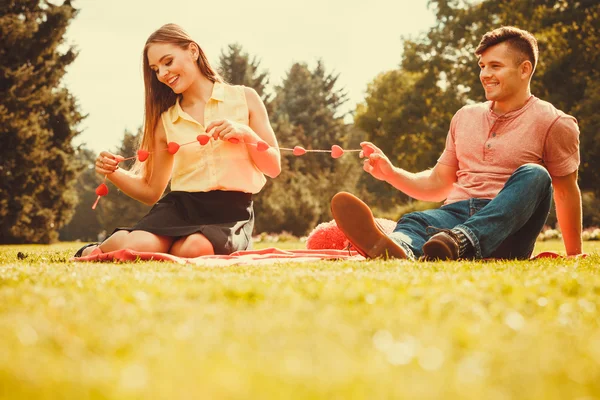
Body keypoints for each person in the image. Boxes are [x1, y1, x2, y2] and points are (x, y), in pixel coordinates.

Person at [331, 26, 582, 261]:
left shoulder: (555, 122)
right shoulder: (465, 117)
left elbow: (565, 190)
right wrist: (391, 173)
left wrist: (574, 254)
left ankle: (460, 240)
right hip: (454, 216)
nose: (485, 74)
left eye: (495, 66)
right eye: (482, 66)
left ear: (525, 69)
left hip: (508, 230)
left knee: (536, 176)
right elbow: (439, 184)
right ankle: (398, 249)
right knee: (414, 221)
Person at [75, 24, 281, 258]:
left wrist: (246, 133)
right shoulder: (165, 120)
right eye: (155, 69)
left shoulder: (245, 98)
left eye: (167, 62)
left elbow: (273, 167)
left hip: (231, 212)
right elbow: (151, 191)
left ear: (193, 51)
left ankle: (167, 247)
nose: (162, 74)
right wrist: (114, 172)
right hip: (180, 207)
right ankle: (93, 251)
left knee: (197, 248)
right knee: (137, 244)